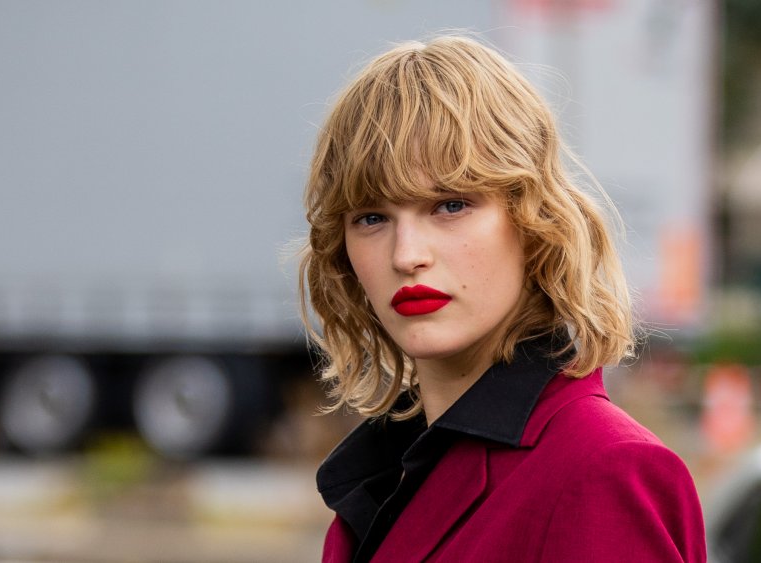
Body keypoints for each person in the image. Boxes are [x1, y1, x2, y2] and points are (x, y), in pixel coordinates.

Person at [299, 34, 706, 563]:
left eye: (449, 205)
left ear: (533, 220)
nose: (407, 254)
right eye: (372, 218)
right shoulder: (389, 473)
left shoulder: (604, 471)